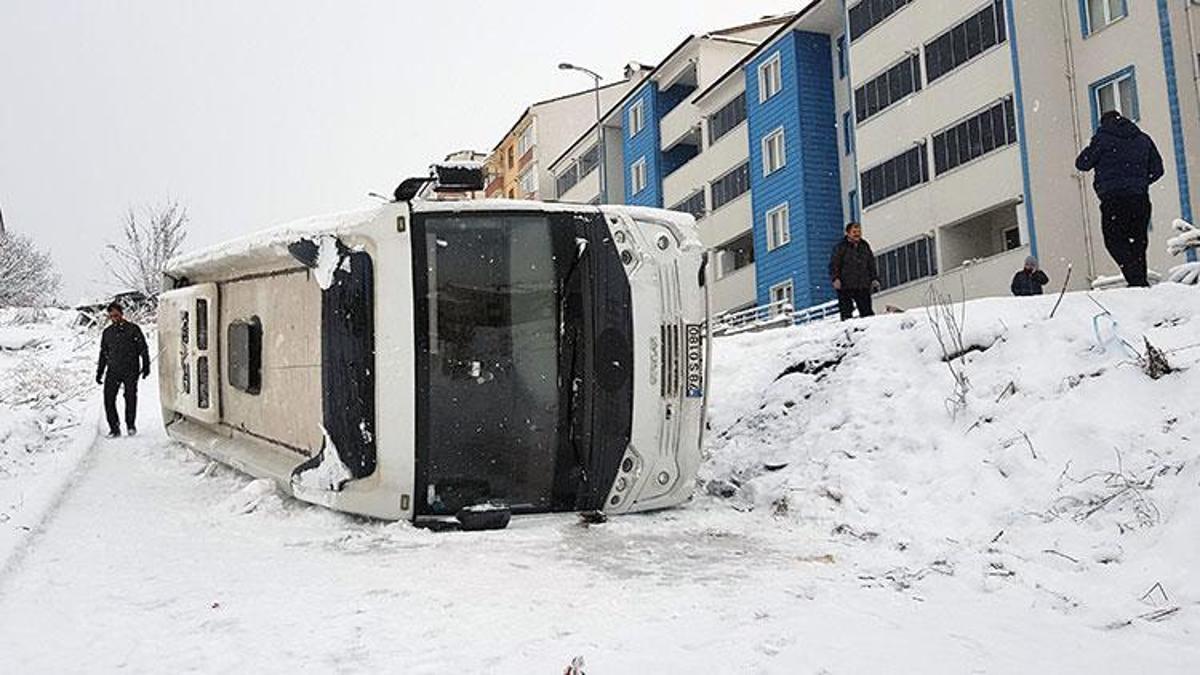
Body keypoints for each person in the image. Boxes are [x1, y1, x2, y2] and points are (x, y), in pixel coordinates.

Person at [1074, 110, 1165, 287]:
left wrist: (1092, 146)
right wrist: (1139, 182)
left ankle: (1136, 281)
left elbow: (1082, 163)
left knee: (1114, 241)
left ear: (1103, 123)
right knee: (1138, 242)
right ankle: (1139, 282)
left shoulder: (1102, 139)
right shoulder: (1142, 139)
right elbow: (1158, 170)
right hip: (1139, 198)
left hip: (1113, 199)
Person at [96, 302, 151, 438]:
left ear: (121, 314)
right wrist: (100, 372)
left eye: (116, 315)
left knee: (130, 397)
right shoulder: (107, 333)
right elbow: (103, 353)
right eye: (111, 316)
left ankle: (130, 425)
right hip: (113, 370)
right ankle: (114, 428)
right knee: (109, 399)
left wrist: (146, 366)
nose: (114, 318)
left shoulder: (133, 329)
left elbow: (143, 349)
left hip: (131, 370)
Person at [829, 222, 880, 321]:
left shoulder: (864, 246)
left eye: (859, 232)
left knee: (867, 312)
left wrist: (874, 278)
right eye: (854, 232)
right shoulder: (841, 247)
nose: (857, 234)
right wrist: (835, 278)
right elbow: (834, 264)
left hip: (862, 284)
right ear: (848, 233)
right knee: (846, 312)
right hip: (845, 284)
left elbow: (871, 264)